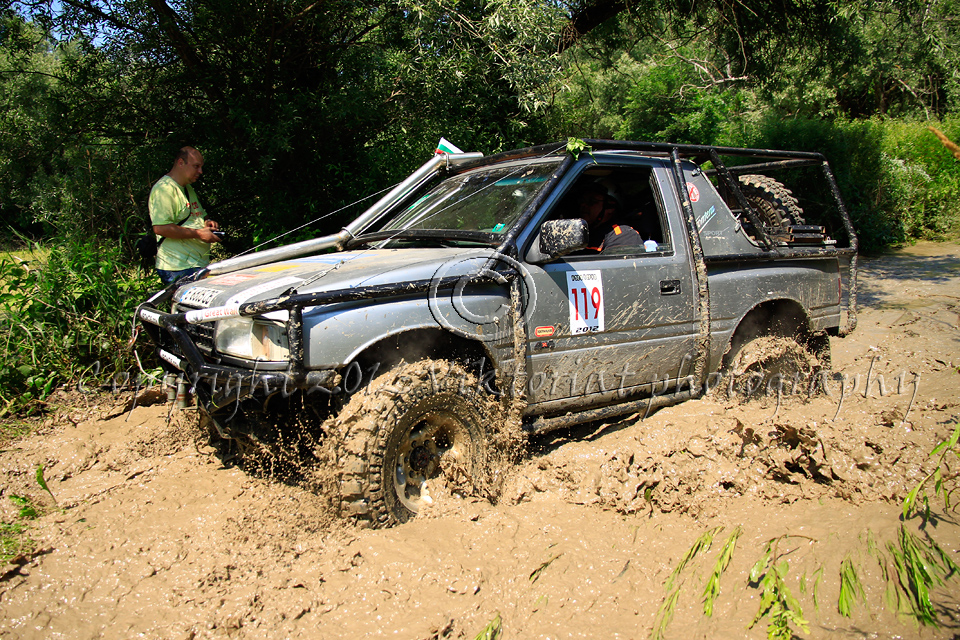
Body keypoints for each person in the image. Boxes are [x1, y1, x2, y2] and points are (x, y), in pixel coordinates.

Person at [149, 146, 221, 285]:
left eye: (201, 167)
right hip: (178, 268)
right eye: (196, 166)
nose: (200, 171)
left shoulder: (187, 188)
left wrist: (208, 223)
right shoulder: (164, 189)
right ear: (181, 163)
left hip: (196, 264)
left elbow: (199, 216)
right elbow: (160, 228)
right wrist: (199, 233)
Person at [576, 182, 643, 253]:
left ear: (610, 207)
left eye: (592, 201)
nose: (583, 205)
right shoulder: (581, 232)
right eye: (582, 201)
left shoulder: (622, 235)